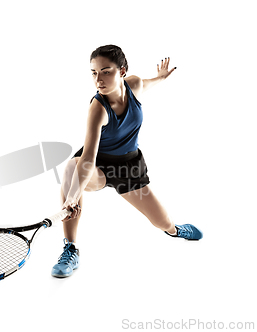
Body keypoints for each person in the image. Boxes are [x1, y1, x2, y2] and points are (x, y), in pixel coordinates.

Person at [51, 45, 203, 278]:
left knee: (163, 222)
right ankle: (70, 247)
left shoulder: (134, 85)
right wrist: (72, 197)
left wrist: (160, 77)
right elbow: (88, 158)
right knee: (73, 166)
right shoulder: (97, 108)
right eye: (93, 73)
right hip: (98, 167)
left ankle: (174, 230)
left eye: (105, 71)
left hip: (129, 168)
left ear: (122, 71)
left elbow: (149, 83)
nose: (98, 79)